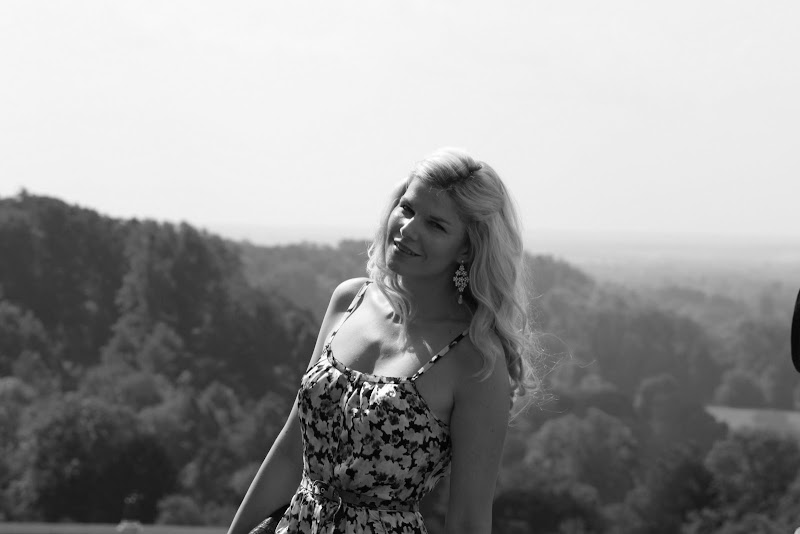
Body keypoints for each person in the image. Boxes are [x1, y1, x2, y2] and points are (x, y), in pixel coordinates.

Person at [227, 148, 540, 534]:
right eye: (407, 209)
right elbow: (292, 454)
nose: (408, 229)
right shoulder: (349, 300)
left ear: (467, 247)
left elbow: (468, 520)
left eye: (436, 225)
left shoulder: (475, 360)